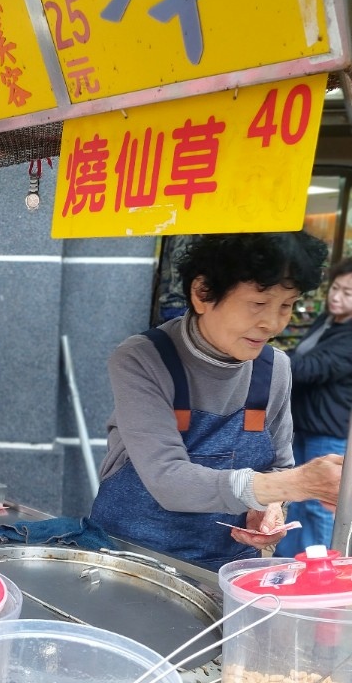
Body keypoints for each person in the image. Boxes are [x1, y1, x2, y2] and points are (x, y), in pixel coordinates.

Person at [90, 232, 344, 571]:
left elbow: (278, 465)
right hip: (132, 560)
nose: (273, 323)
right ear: (202, 293)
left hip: (225, 568)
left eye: (286, 305)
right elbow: (168, 479)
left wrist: (269, 508)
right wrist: (296, 484)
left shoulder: (274, 369)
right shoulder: (142, 359)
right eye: (257, 303)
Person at [274, 257, 352, 557]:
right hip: (304, 422)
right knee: (296, 497)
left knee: (320, 506)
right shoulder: (327, 320)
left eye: (348, 292)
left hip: (328, 429)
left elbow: (313, 366)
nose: (336, 296)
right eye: (336, 287)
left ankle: (323, 569)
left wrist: (272, 360)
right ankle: (289, 563)